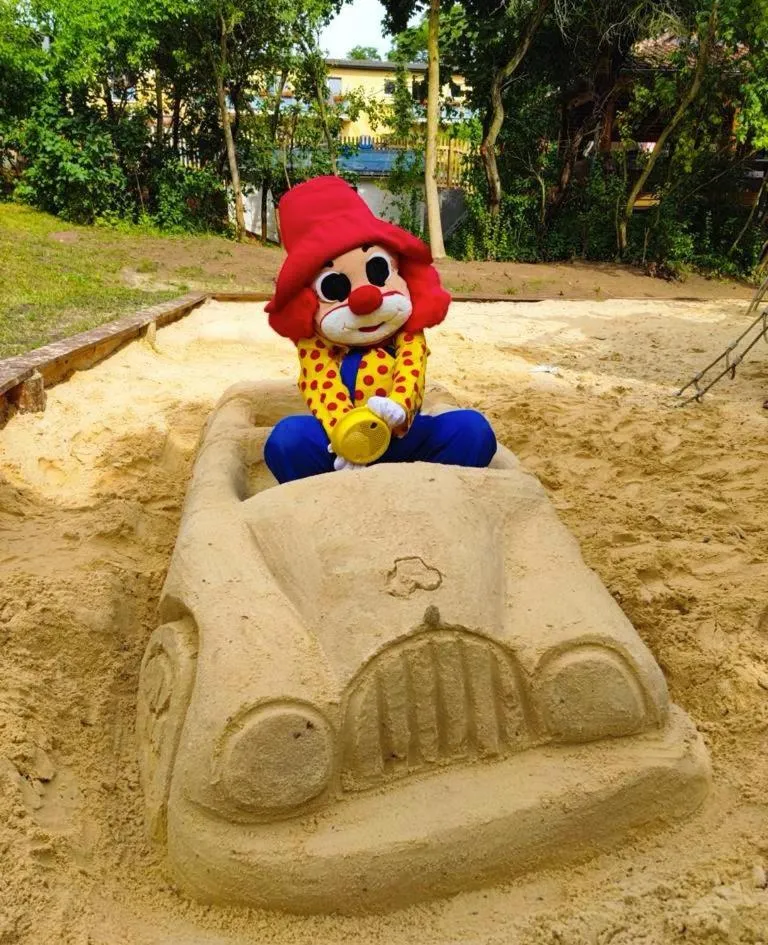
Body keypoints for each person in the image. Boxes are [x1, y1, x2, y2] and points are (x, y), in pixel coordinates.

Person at [263, 176, 496, 484]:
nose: (365, 298)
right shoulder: (315, 341)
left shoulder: (407, 330)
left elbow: (412, 367)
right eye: (334, 287)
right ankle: (331, 496)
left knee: (472, 430)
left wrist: (400, 407)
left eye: (377, 271)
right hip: (341, 444)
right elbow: (319, 381)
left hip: (404, 434)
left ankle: (432, 490)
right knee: (287, 439)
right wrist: (345, 432)